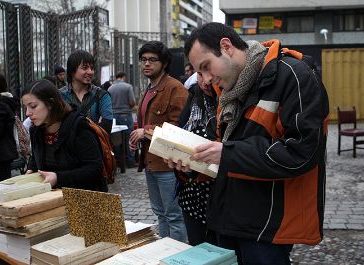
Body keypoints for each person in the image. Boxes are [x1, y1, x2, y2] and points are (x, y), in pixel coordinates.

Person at [167, 22, 329, 264]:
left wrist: (226, 154)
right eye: (200, 72)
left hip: (268, 228)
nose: (207, 79)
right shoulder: (229, 88)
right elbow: (223, 152)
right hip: (228, 220)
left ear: (227, 46)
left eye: (206, 67)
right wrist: (194, 164)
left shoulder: (293, 75)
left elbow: (302, 152)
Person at [129, 41, 188, 242]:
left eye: (152, 60)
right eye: (144, 60)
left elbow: (179, 126)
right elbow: (146, 120)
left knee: (174, 215)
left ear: (164, 63)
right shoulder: (149, 89)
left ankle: (178, 257)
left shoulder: (174, 88)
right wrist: (138, 136)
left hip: (168, 164)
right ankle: (164, 251)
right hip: (150, 162)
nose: (146, 64)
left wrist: (144, 132)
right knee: (160, 213)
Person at [23, 79, 108, 192]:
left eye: (33, 106)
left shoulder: (78, 127)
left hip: (84, 200)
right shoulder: (35, 130)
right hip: (52, 200)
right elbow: (36, 157)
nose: (27, 113)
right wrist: (31, 170)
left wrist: (58, 178)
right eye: (26, 107)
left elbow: (95, 169)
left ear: (50, 103)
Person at [175, 73, 219, 246]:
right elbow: (181, 131)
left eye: (209, 73)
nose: (205, 81)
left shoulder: (230, 99)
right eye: (199, 74)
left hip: (220, 195)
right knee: (197, 248)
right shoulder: (194, 97)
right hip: (192, 193)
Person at [60, 50, 113, 134]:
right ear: (72, 71)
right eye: (85, 68)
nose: (90, 72)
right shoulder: (60, 96)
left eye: (92, 68)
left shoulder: (102, 95)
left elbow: (106, 127)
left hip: (93, 145)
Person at [108, 71, 137, 168]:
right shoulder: (128, 87)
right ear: (123, 77)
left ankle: (118, 161)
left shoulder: (110, 88)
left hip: (114, 116)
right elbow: (132, 102)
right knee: (129, 137)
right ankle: (130, 161)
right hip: (125, 115)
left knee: (116, 139)